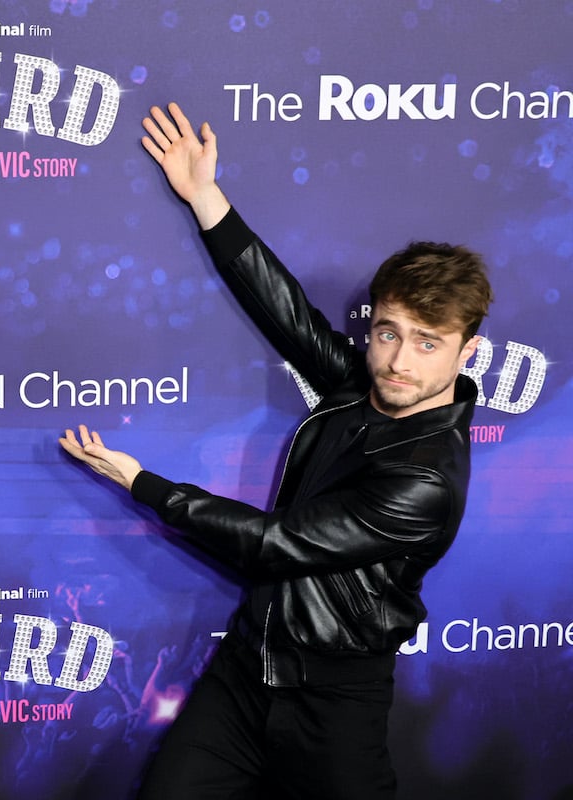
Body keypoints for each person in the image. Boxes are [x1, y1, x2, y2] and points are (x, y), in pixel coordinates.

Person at [60, 101, 492, 799]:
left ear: (466, 350)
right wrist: (207, 197)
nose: (398, 361)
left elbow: (272, 544)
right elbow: (289, 315)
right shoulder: (360, 388)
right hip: (245, 672)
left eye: (426, 342)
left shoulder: (427, 479)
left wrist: (143, 483)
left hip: (333, 703)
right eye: (388, 332)